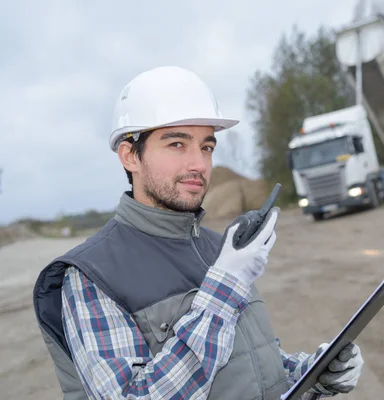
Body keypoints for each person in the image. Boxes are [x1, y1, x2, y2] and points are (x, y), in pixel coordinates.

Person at [33, 66, 364, 400]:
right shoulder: (93, 274)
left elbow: (248, 365)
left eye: (206, 147)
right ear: (130, 155)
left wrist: (312, 372)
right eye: (177, 144)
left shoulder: (219, 249)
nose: (199, 164)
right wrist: (223, 290)